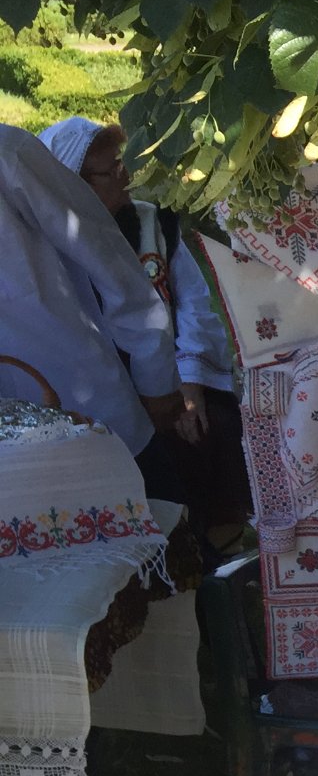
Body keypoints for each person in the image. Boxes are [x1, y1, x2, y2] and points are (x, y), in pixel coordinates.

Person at [39, 116, 249, 539]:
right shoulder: (47, 245)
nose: (125, 174)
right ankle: (164, 546)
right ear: (74, 183)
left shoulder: (152, 223)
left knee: (214, 425)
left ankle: (220, 541)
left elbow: (193, 304)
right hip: (98, 392)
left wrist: (189, 383)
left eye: (121, 162)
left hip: (170, 375)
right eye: (111, 169)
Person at [0, 124, 181, 485]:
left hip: (88, 412)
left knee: (150, 514)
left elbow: (104, 254)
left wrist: (155, 376)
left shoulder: (8, 153)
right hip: (14, 456)